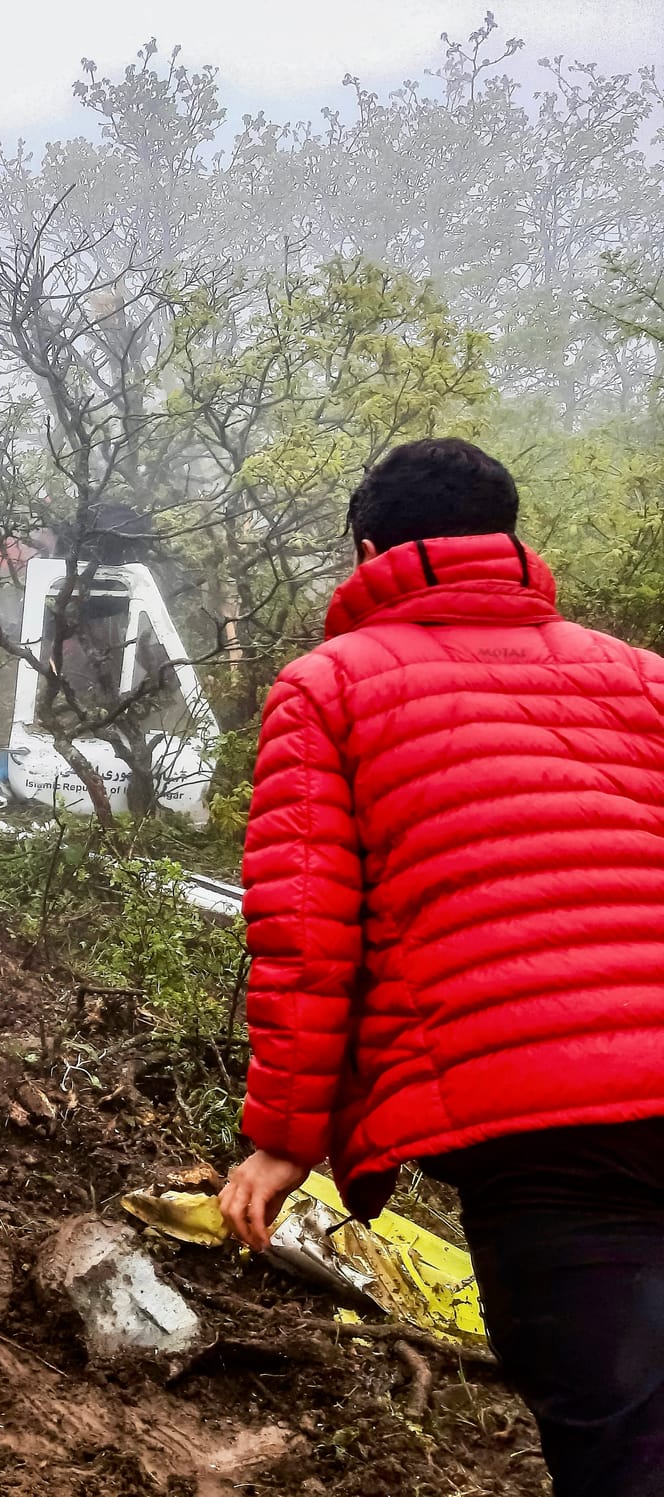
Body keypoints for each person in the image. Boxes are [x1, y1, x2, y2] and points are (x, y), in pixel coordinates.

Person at [216, 437, 664, 1496]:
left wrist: (283, 1136)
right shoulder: (643, 679)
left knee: (621, 1444)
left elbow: (304, 926)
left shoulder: (326, 686)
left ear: (368, 548)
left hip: (543, 1135)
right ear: (507, 540)